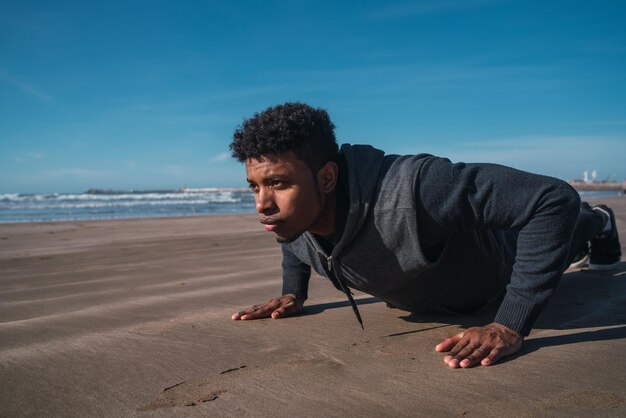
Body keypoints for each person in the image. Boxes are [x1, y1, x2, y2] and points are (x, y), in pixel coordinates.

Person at [229, 102, 622, 368]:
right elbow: (296, 239)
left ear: (328, 177)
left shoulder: (419, 189)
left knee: (570, 230)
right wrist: (293, 291)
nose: (262, 204)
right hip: (438, 291)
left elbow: (552, 198)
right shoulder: (294, 213)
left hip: (497, 264)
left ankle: (600, 221)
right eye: (254, 187)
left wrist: (509, 322)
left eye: (278, 184)